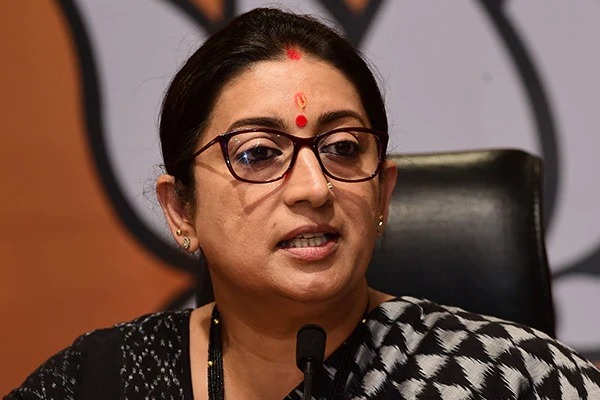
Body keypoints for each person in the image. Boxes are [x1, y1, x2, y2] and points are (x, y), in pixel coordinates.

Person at [6, 7, 600, 400]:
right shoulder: (102, 379)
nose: (315, 188)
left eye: (343, 147)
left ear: (383, 191)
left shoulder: (511, 377)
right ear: (181, 210)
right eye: (259, 154)